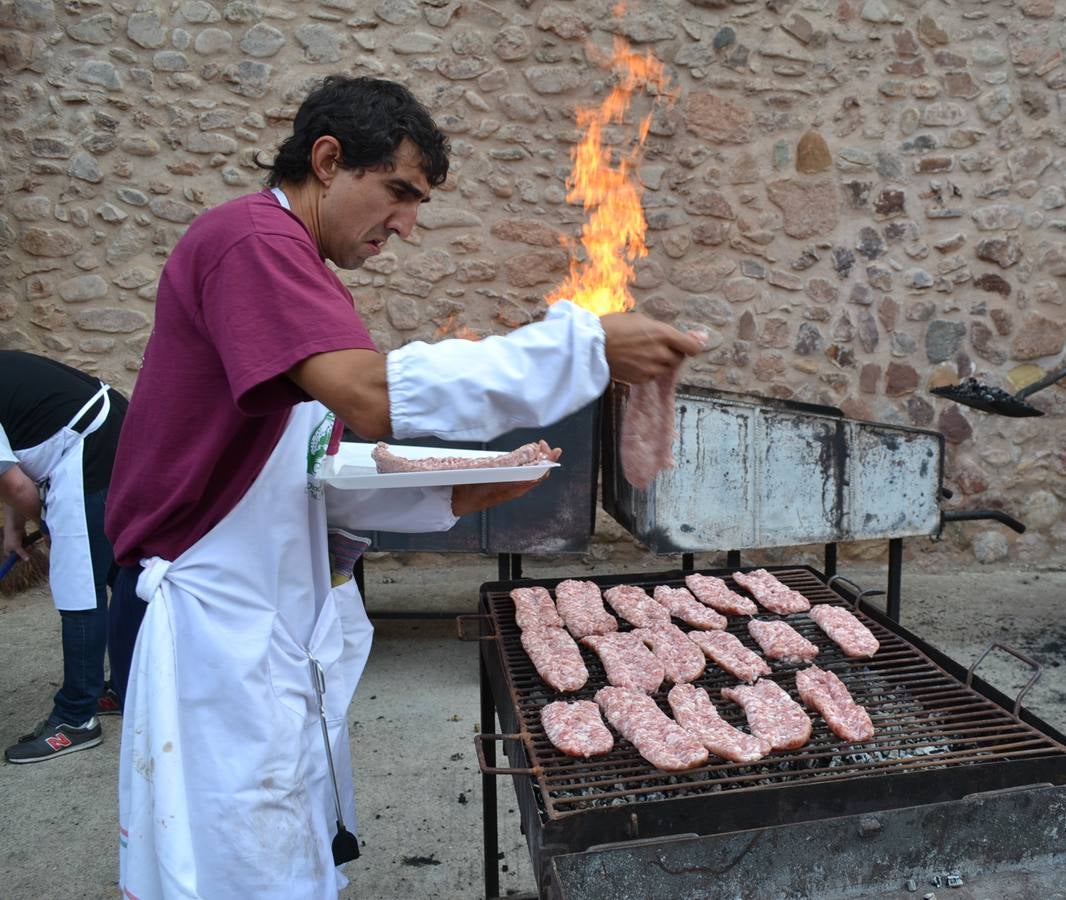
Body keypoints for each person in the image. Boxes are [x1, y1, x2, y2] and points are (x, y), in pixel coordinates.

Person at [103, 74, 701, 898]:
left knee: (278, 839)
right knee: (234, 860)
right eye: (398, 193)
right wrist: (580, 349)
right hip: (212, 624)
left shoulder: (296, 267)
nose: (407, 226)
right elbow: (370, 397)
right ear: (326, 160)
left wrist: (453, 492)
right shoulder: (251, 243)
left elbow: (301, 475)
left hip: (259, 613)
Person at [0, 351, 127, 763]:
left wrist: (52, 522)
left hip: (89, 446)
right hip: (110, 428)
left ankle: (76, 719)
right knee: (118, 572)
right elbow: (19, 453)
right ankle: (130, 684)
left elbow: (16, 484)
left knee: (78, 586)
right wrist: (15, 527)